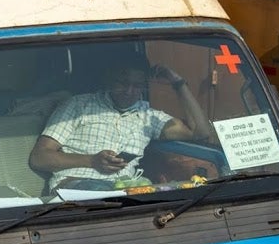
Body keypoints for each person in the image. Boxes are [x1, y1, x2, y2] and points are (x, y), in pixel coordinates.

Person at [28, 55, 216, 193]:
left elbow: (200, 132)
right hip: (76, 186)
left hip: (127, 189)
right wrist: (92, 161)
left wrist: (178, 83)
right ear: (109, 79)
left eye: (137, 86)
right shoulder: (78, 105)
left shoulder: (148, 116)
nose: (129, 91)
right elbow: (39, 157)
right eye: (122, 83)